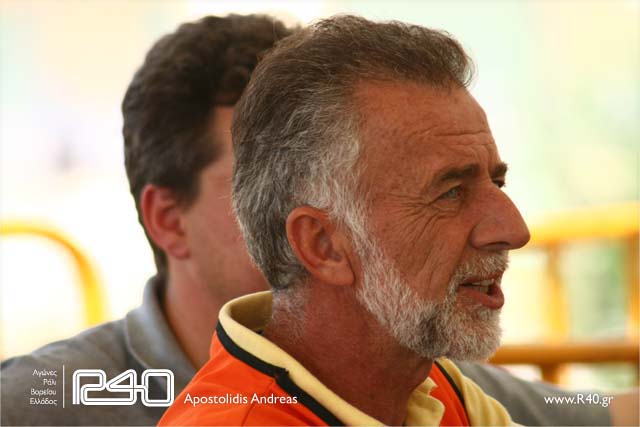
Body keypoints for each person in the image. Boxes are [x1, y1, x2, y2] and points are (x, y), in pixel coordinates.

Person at [0, 13, 619, 427]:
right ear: (319, 241)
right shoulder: (43, 398)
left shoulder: (422, 377)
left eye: (496, 182)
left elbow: (593, 409)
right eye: (449, 192)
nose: (514, 228)